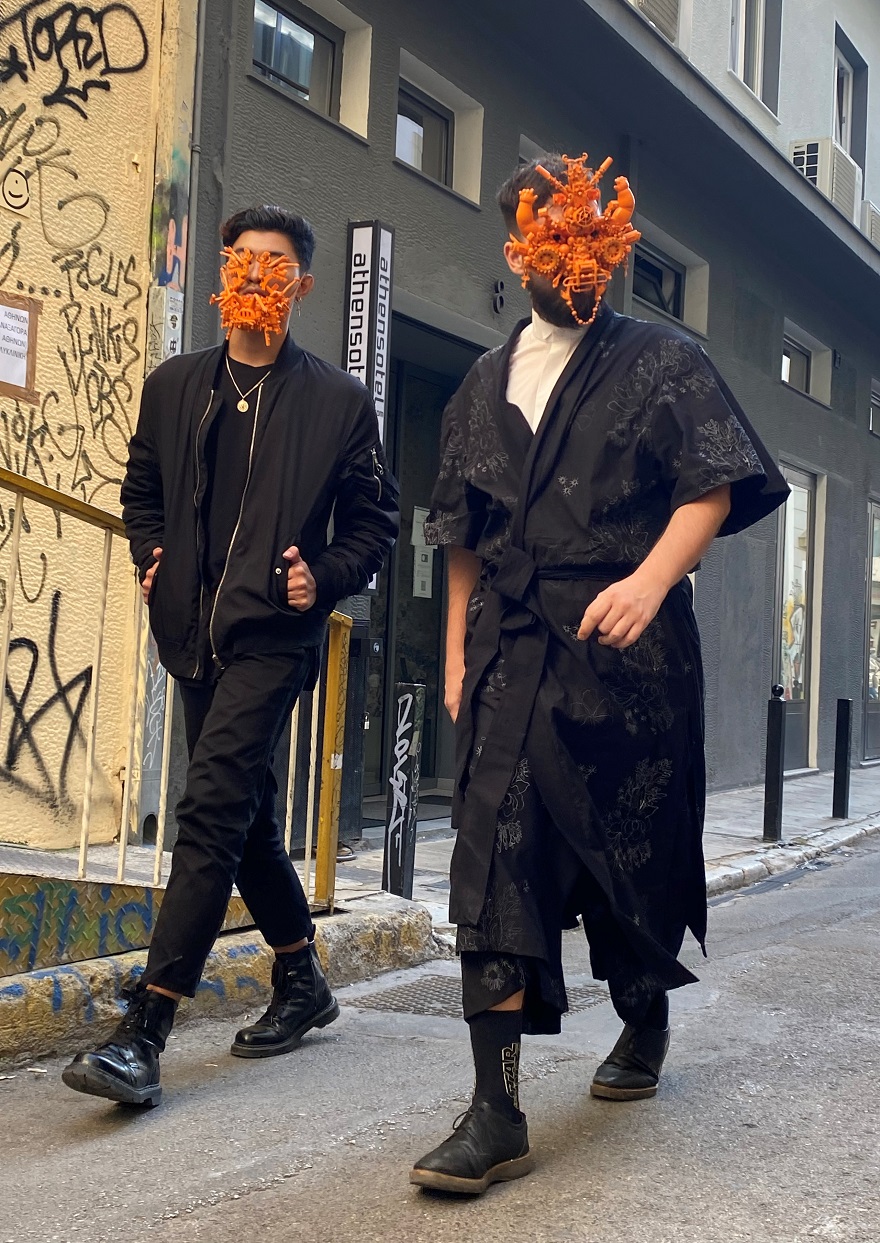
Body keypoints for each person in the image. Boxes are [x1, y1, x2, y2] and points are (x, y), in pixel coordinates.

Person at [410, 154, 788, 1194]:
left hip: (628, 652)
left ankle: (643, 1007)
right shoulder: (481, 383)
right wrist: (456, 651)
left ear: (614, 245)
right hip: (511, 647)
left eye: (593, 239)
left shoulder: (664, 359)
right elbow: (462, 532)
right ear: (517, 252)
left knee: (628, 857)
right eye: (553, 242)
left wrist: (652, 581)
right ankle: (494, 1109)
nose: (576, 262)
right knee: (492, 857)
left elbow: (712, 487)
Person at [62, 205, 399, 1108]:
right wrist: (152, 555)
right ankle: (302, 977)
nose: (255, 274)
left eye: (274, 264)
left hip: (275, 637)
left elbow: (375, 521)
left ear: (303, 286)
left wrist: (323, 577)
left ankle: (145, 1029)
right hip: (191, 635)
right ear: (222, 276)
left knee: (209, 809)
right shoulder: (175, 384)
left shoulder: (337, 402)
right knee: (244, 821)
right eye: (240, 259)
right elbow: (142, 488)